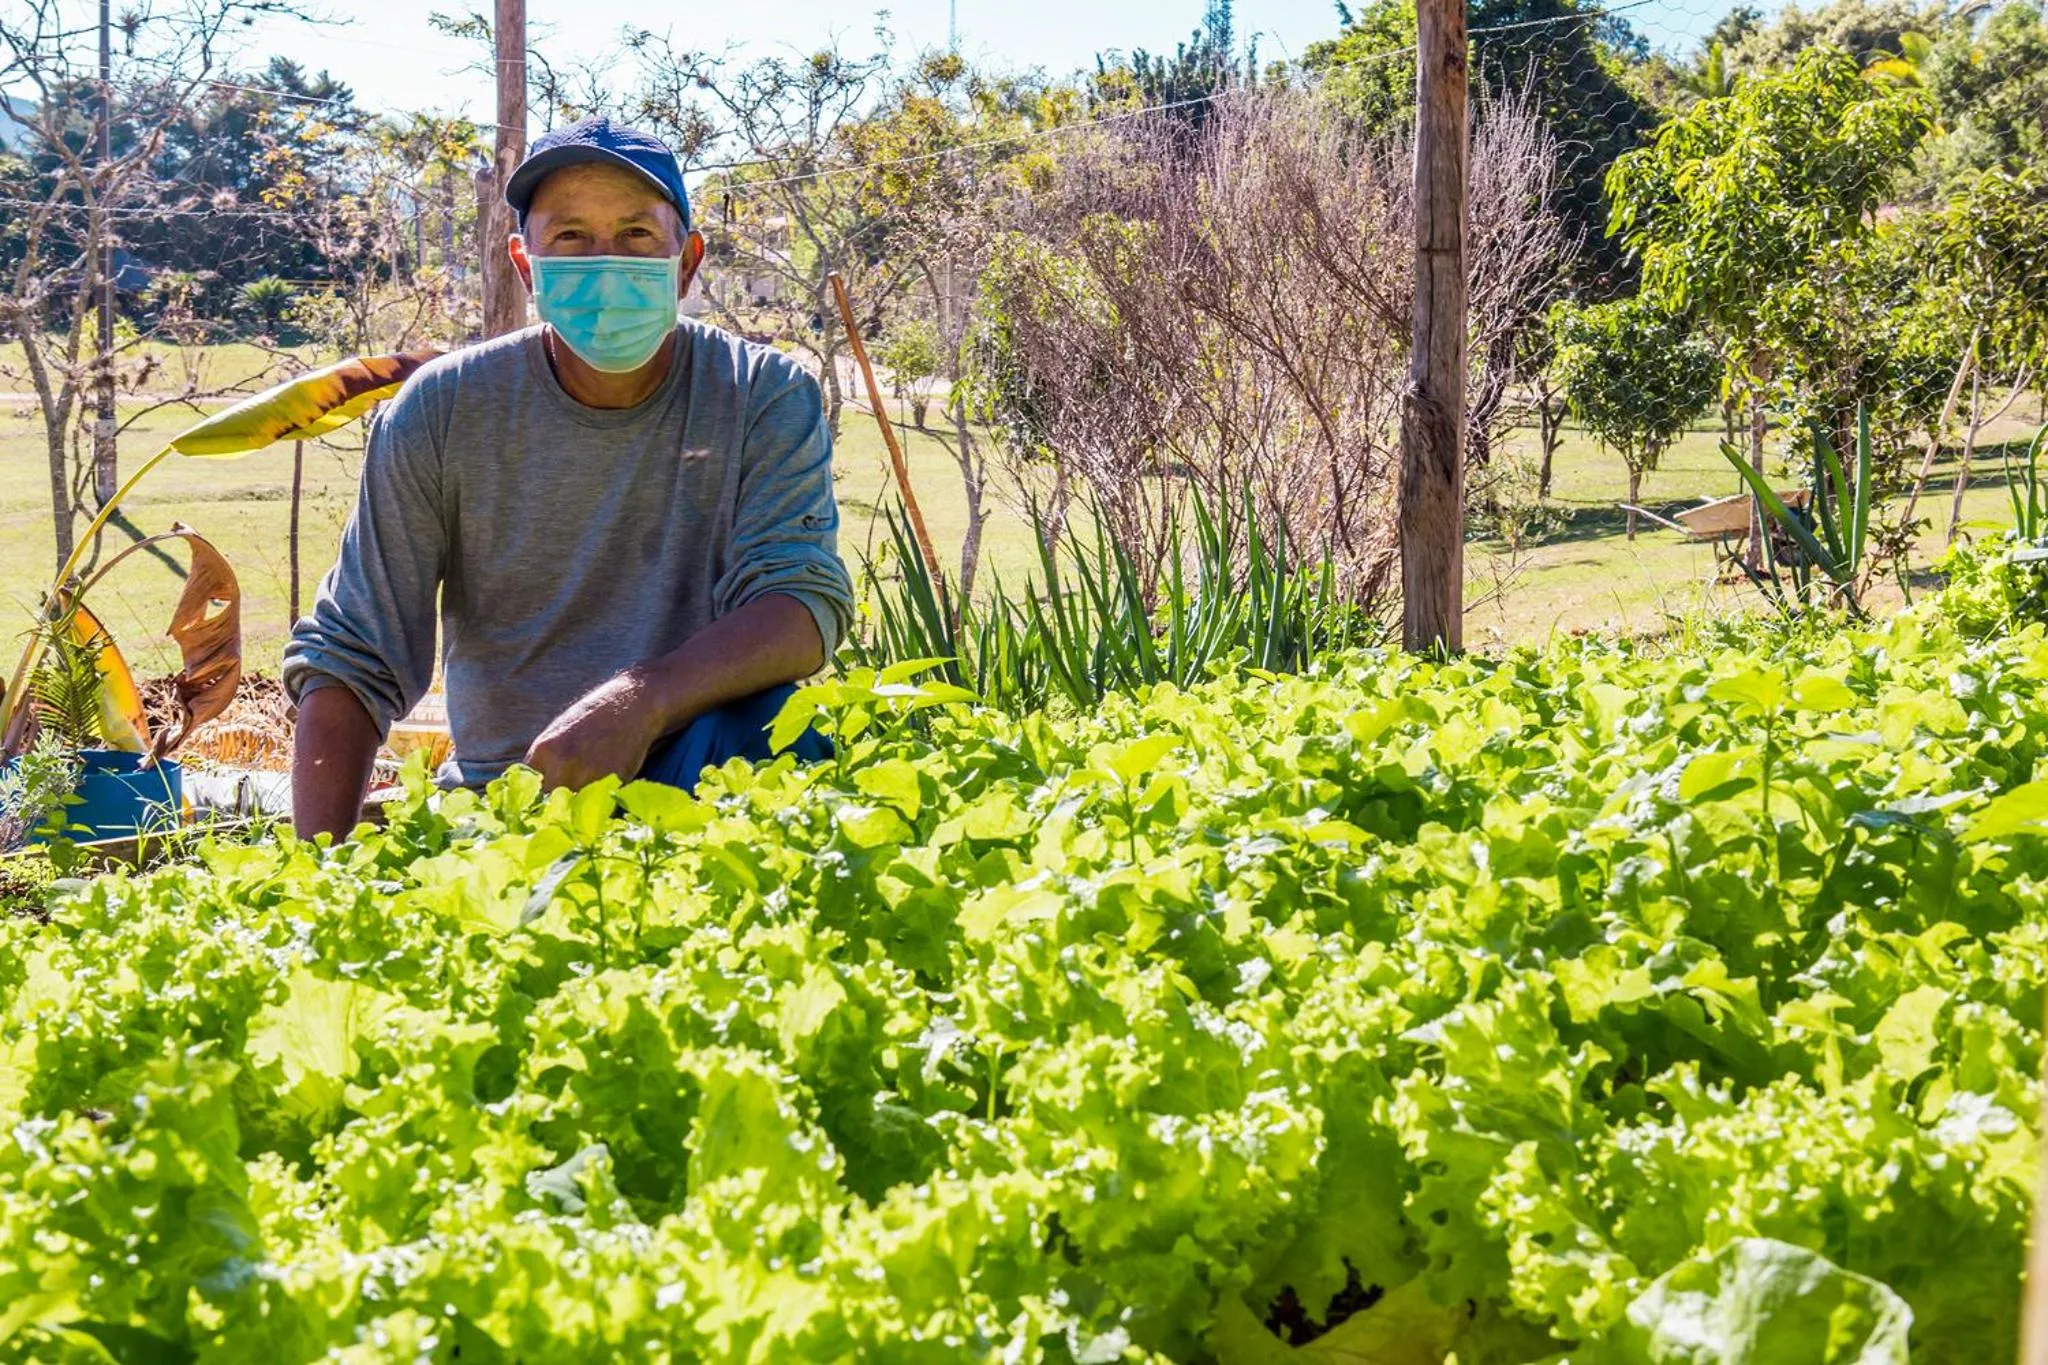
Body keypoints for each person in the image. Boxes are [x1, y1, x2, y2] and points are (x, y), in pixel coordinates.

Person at [282, 116, 852, 842]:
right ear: (527, 266)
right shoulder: (447, 407)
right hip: (512, 805)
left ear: (687, 261)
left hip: (706, 779)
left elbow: (799, 603)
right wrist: (317, 872)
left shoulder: (762, 394)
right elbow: (353, 650)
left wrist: (639, 704)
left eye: (637, 235)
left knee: (785, 733)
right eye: (573, 238)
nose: (607, 265)